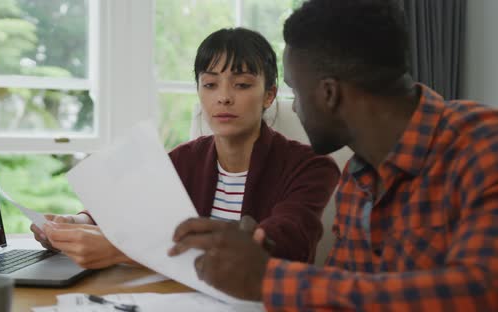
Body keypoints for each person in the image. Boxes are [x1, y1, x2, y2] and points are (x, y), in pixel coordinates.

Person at [168, 0, 498, 310]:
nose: (294, 107)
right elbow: (337, 294)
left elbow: (482, 290)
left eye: (295, 90)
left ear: (329, 93)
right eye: (210, 84)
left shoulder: (482, 143)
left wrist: (267, 278)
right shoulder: (358, 183)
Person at [32, 27, 340, 268]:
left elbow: (281, 247)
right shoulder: (184, 159)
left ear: (269, 95)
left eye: (242, 84)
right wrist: (76, 224)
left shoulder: (312, 167)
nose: (223, 97)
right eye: (210, 84)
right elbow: (130, 205)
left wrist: (120, 250)